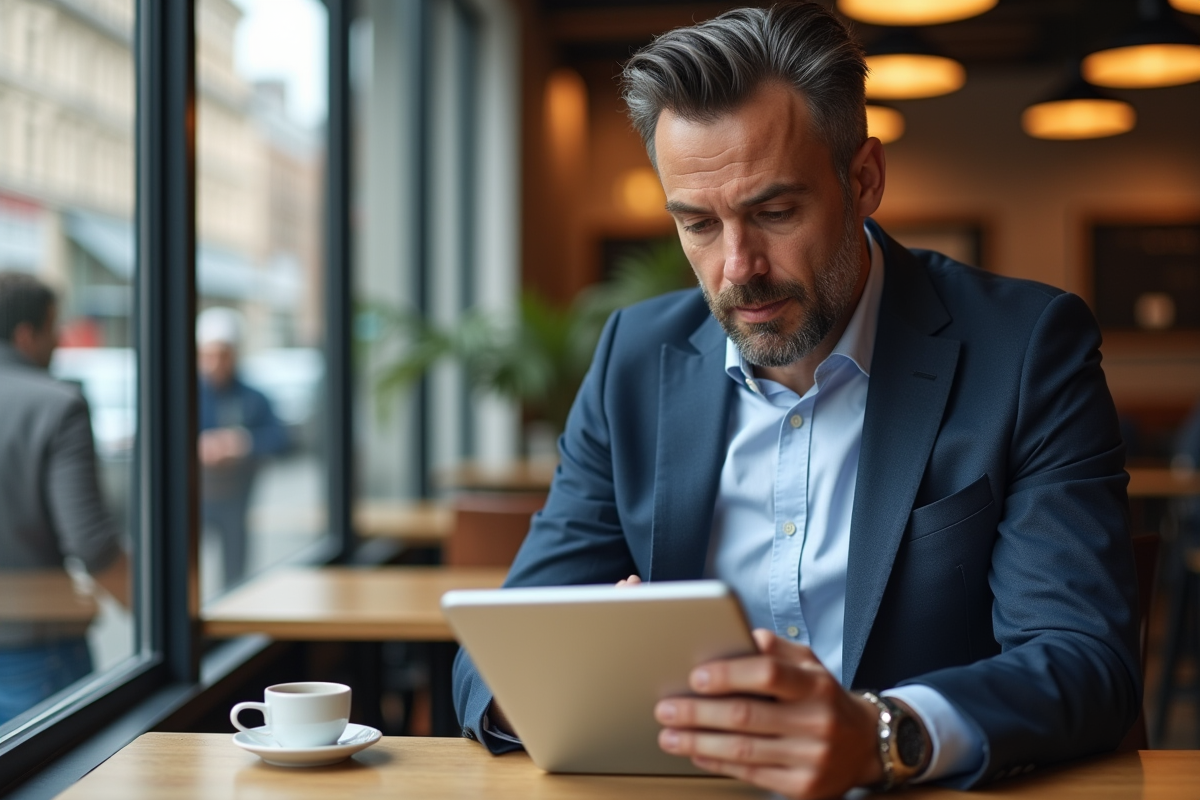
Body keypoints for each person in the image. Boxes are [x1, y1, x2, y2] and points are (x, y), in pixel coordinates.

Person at [453, 4, 1141, 798]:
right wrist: (559, 677)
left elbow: (1083, 656)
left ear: (864, 180)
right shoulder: (633, 361)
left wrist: (882, 736)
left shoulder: (1025, 349)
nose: (737, 266)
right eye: (698, 224)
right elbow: (491, 654)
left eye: (775, 212)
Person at [0, 271, 127, 725]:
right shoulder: (57, 405)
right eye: (55, 329)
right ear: (27, 334)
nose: (59, 342)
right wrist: (154, 611)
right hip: (35, 647)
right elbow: (91, 543)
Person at [197, 307, 289, 590]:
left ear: (234, 354)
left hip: (236, 499)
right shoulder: (186, 395)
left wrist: (243, 443)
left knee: (235, 576)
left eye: (222, 355)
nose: (215, 364)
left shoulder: (253, 397)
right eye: (208, 356)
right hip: (194, 498)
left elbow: (282, 439)